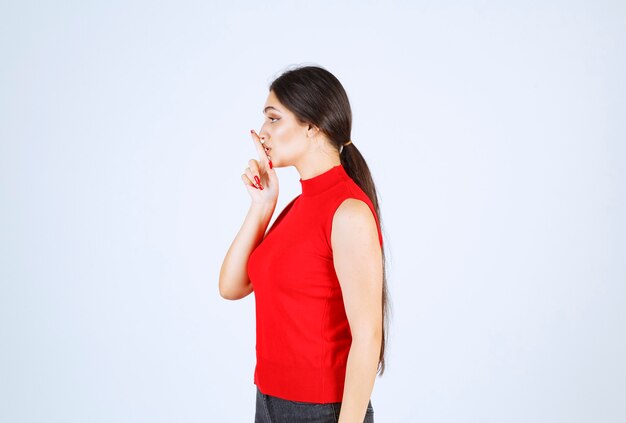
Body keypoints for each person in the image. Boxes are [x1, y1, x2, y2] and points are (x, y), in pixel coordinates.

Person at [219, 65, 391, 423]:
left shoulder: (348, 212)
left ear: (312, 126)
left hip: (321, 412)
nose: (263, 132)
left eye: (273, 118)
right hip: (268, 401)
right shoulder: (295, 206)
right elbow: (231, 286)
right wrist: (262, 204)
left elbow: (368, 336)